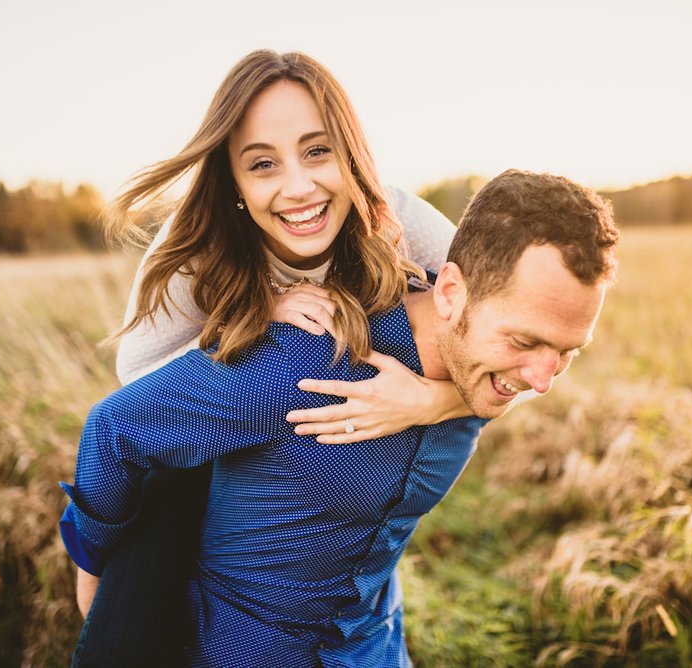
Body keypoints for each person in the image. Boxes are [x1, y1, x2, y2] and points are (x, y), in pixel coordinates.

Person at [60, 168, 619, 665]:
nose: (542, 380)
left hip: (374, 645)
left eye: (569, 352)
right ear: (450, 293)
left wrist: (434, 400)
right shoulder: (305, 362)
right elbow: (117, 428)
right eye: (526, 341)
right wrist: (98, 588)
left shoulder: (486, 373)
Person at [67, 49, 475, 666]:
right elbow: (139, 394)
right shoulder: (191, 252)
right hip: (197, 469)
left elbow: (516, 339)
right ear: (233, 180)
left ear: (351, 151)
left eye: (317, 151)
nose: (298, 187)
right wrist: (246, 324)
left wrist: (432, 400)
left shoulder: (401, 220)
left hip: (335, 502)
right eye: (263, 164)